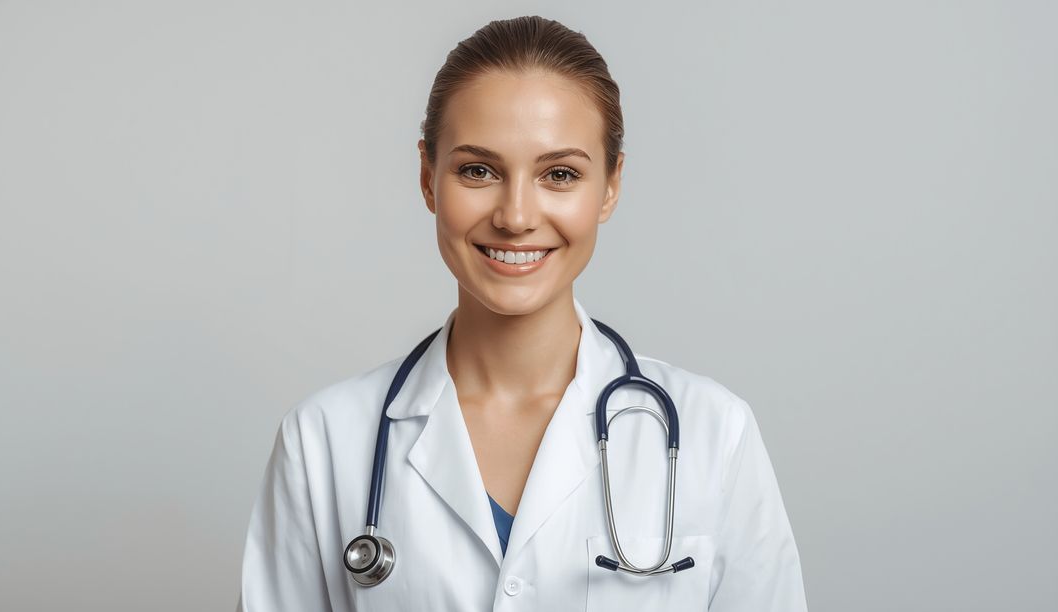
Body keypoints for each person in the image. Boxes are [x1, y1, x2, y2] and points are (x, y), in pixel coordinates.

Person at [236, 15, 807, 612]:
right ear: (428, 177)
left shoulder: (714, 433)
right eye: (478, 170)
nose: (515, 216)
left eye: (559, 174)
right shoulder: (323, 442)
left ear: (611, 185)